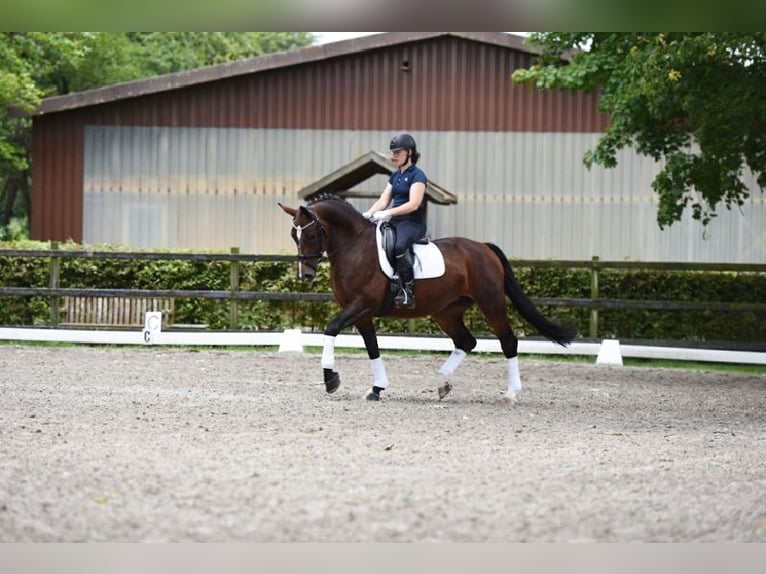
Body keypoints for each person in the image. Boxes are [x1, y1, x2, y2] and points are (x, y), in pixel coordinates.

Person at [363, 133, 427, 309]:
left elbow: (414, 204)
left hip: (412, 223)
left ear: (409, 152)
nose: (394, 156)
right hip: (395, 220)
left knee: (399, 246)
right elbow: (384, 200)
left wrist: (388, 212)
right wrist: (369, 213)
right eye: (393, 153)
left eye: (398, 152)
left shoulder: (418, 176)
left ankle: (408, 291)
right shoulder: (395, 176)